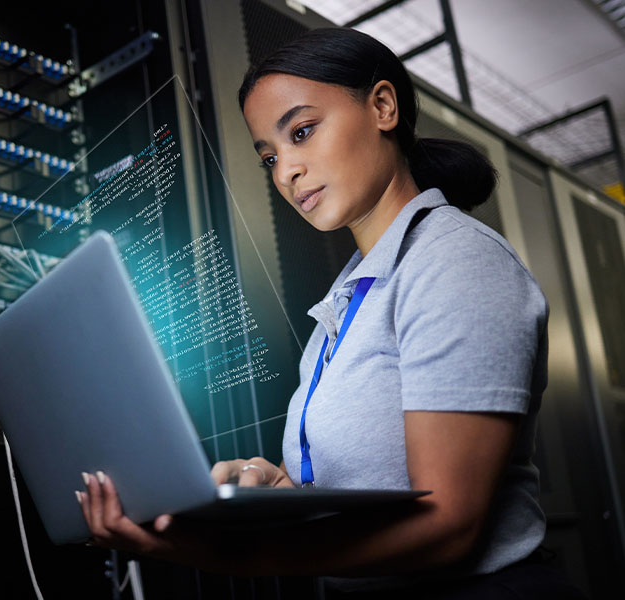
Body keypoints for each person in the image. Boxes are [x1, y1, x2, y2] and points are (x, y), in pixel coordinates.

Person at [76, 27, 587, 598]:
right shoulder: (351, 295)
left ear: (383, 107)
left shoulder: (456, 262)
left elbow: (449, 526)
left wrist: (238, 553)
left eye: (302, 131)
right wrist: (285, 485)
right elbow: (375, 479)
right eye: (269, 155)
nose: (285, 172)